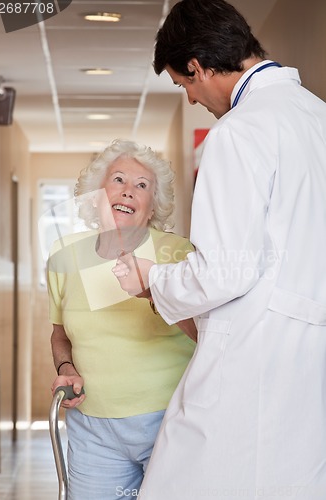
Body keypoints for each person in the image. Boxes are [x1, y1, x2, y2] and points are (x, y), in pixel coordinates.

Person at [112, 1, 326, 499]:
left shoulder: (240, 131)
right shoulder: (318, 116)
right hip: (306, 363)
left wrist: (152, 279)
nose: (190, 99)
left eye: (184, 84)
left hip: (252, 358)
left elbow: (225, 272)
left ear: (198, 66)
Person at [47, 139, 196, 500]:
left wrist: (155, 292)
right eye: (118, 180)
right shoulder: (63, 256)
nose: (128, 192)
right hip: (91, 428)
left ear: (152, 207)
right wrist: (65, 366)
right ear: (97, 194)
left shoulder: (176, 253)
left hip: (168, 421)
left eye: (142, 186)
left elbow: (204, 333)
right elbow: (60, 334)